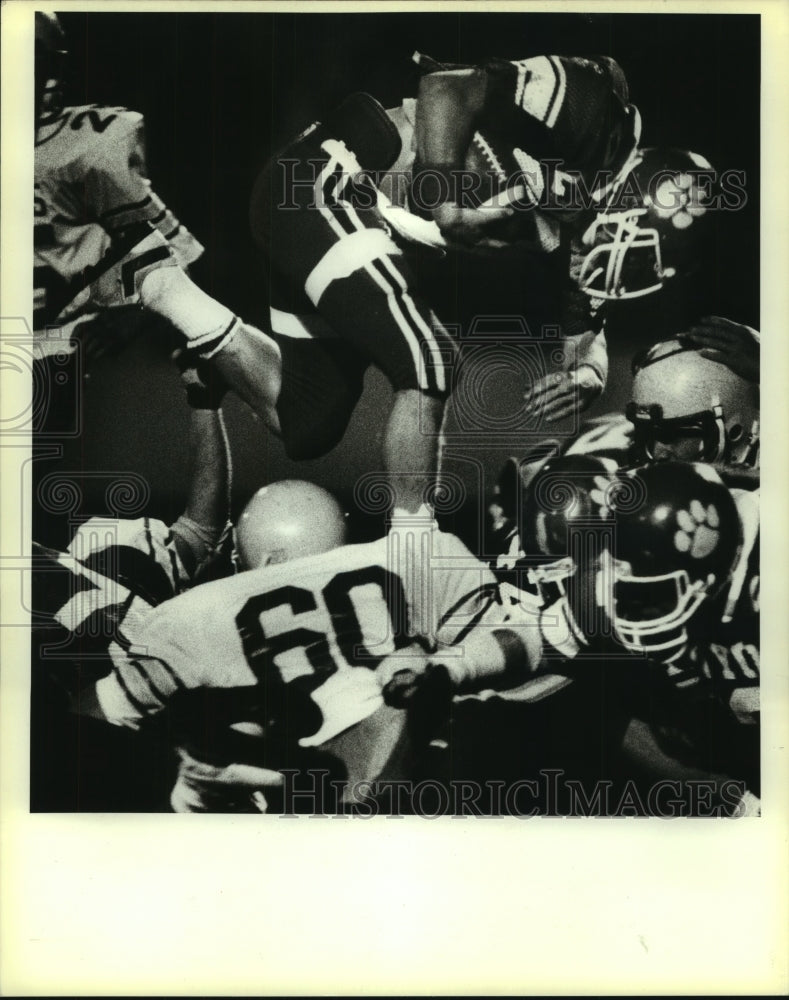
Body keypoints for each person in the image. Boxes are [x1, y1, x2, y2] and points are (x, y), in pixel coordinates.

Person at [98, 52, 639, 514]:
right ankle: (414, 562)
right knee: (427, 357)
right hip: (327, 182)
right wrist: (449, 206)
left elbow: (586, 338)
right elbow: (445, 85)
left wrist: (589, 375)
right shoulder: (588, 104)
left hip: (362, 224)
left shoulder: (592, 232)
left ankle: (167, 290)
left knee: (308, 424)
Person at [74, 479, 541, 813]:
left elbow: (93, 720)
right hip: (417, 776)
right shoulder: (417, 555)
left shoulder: (188, 617)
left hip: (293, 800)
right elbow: (525, 641)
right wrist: (446, 669)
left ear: (266, 558)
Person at [31, 353, 232, 810]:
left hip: (130, 748)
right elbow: (204, 527)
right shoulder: (129, 564)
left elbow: (202, 528)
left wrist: (204, 401)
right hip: (89, 740)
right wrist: (204, 402)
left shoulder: (138, 566)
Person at [33, 11, 204, 433]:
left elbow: (172, 247)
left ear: (49, 68)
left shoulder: (82, 146)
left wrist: (129, 314)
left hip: (41, 351)